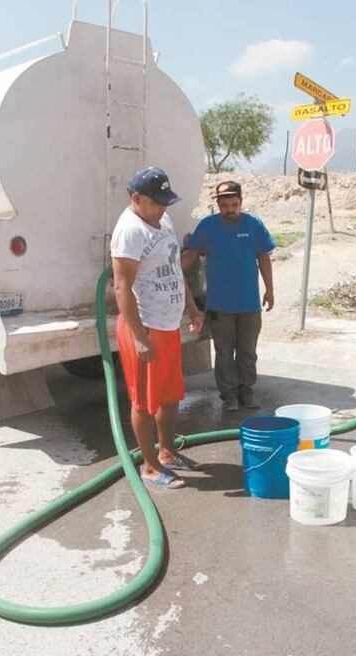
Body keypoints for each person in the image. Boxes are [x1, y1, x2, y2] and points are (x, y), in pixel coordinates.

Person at [111, 167, 205, 489]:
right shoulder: (129, 231)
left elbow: (174, 270)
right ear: (137, 199)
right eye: (157, 202)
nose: (164, 208)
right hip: (145, 327)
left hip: (168, 325)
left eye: (166, 201)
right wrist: (138, 337)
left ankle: (166, 452)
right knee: (143, 402)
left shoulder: (162, 220)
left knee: (170, 395)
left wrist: (191, 308)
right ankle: (149, 466)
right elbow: (121, 287)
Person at [182, 180, 276, 412]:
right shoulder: (207, 226)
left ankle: (247, 391)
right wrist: (170, 269)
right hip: (219, 306)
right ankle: (229, 396)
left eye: (234, 205)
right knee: (224, 353)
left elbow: (264, 257)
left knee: (247, 351)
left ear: (241, 203)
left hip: (249, 304)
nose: (230, 210)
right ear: (218, 205)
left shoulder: (254, 224)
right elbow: (191, 255)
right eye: (225, 206)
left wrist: (270, 290)